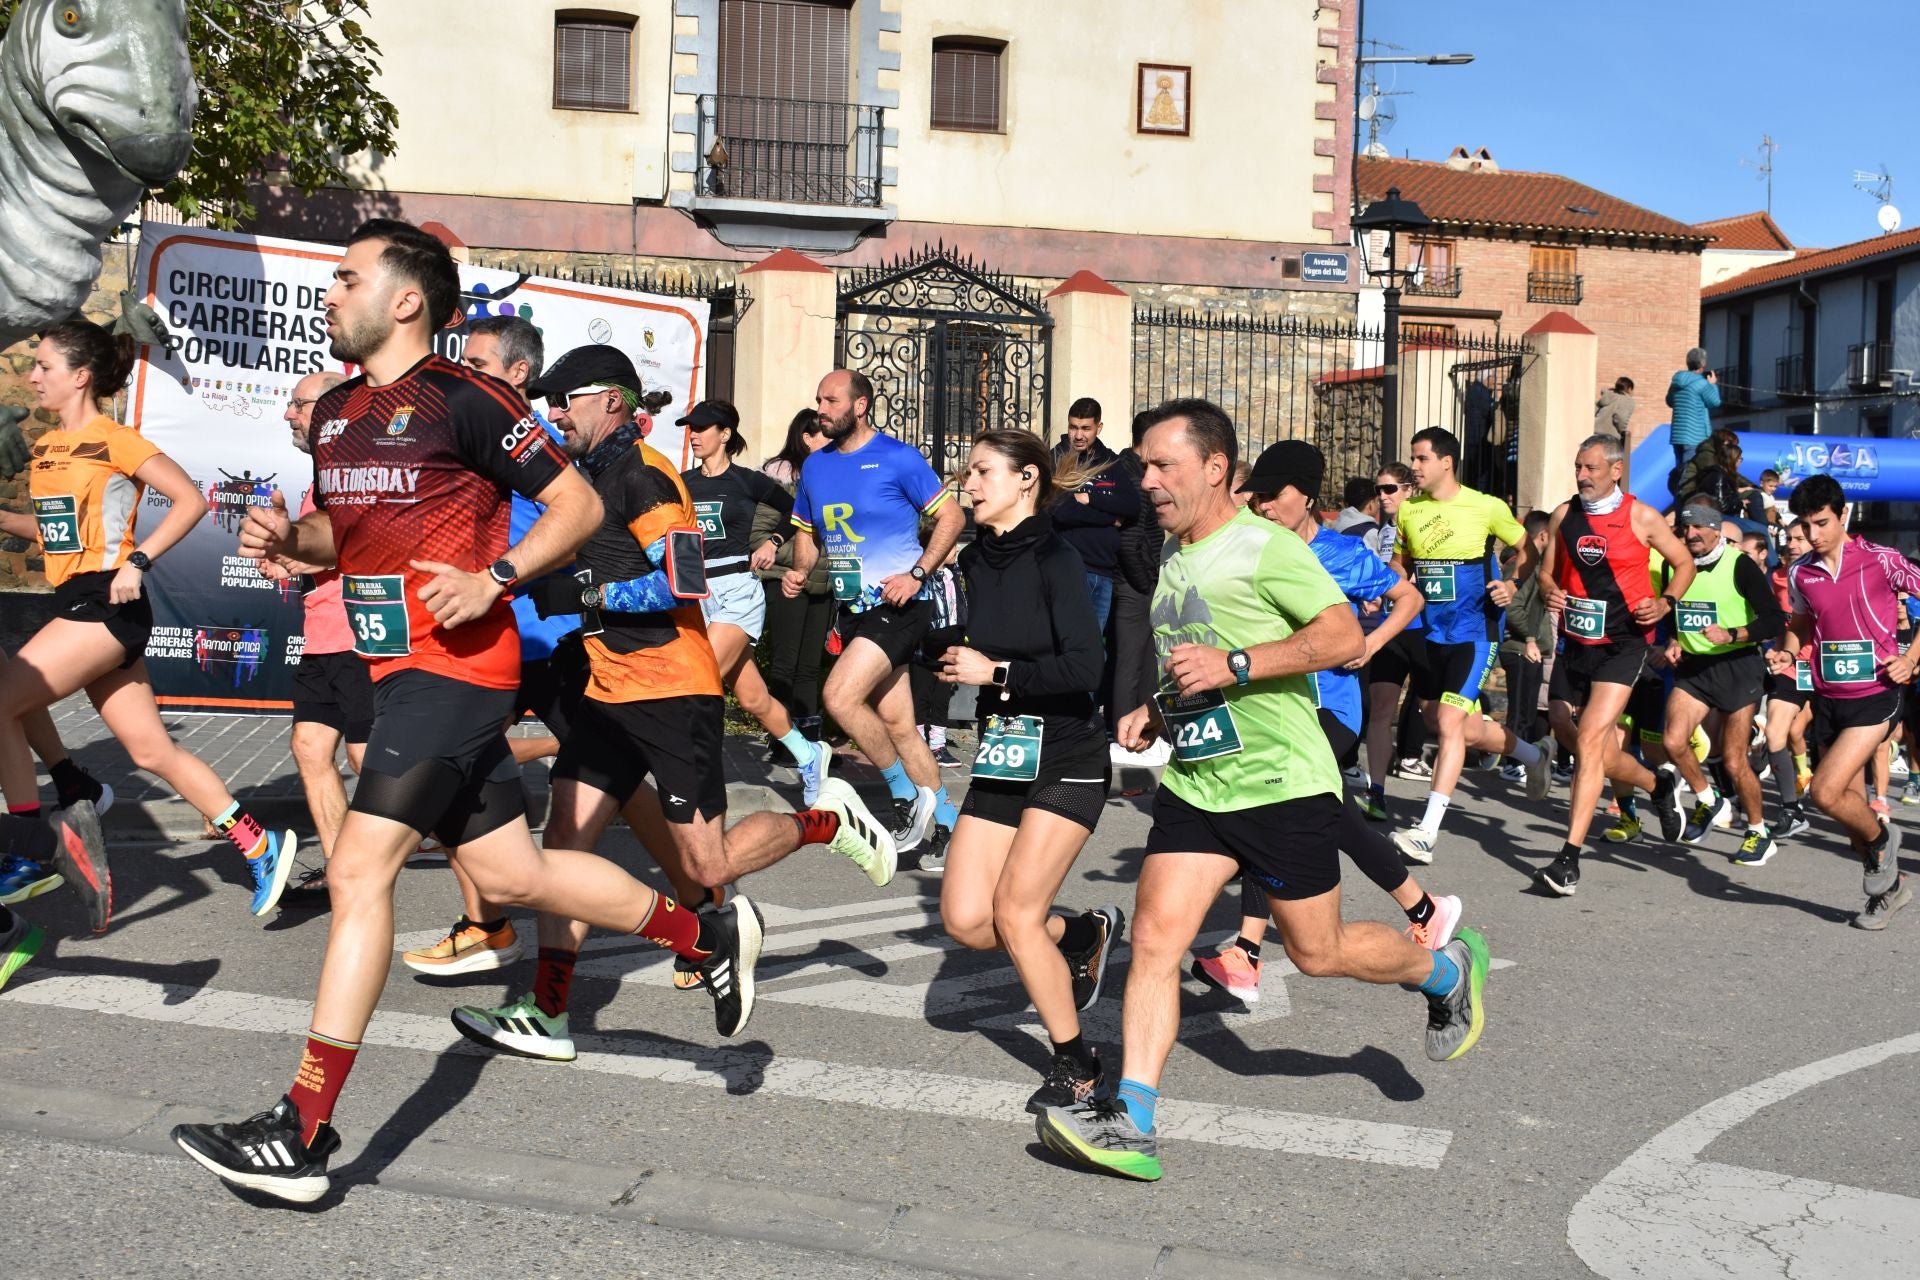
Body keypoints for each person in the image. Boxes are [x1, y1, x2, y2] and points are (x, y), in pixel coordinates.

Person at [172, 219, 761, 1202]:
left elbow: (572, 505)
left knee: (359, 868)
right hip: (391, 667)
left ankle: (304, 1132)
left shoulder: (468, 398)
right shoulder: (338, 416)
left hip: (457, 667)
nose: (329, 292)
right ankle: (705, 936)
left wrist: (496, 577)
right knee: (515, 871)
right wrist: (299, 541)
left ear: (405, 298)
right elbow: (349, 533)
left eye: (346, 277)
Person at [1034, 399, 1488, 1184]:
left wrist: (1238, 664)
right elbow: (1194, 667)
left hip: (1280, 785)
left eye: (1161, 465)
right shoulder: (1176, 558)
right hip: (1201, 785)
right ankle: (1132, 1117)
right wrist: (1156, 708)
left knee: (1319, 953)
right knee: (1155, 941)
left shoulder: (1265, 546)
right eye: (1142, 466)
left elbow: (1343, 637)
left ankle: (1443, 972)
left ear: (1214, 468)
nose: (1146, 481)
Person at [450, 344, 897, 1056]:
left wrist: (585, 594)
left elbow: (685, 583)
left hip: (669, 691)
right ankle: (549, 1013)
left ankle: (826, 819)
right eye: (549, 401)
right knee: (563, 851)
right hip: (605, 692)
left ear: (614, 403)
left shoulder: (645, 476)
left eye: (566, 399)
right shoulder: (584, 477)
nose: (553, 412)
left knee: (708, 868)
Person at [0, 319, 296, 932]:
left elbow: (191, 499)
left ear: (79, 376)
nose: (32, 376)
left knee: (3, 699)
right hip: (75, 599)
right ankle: (258, 843)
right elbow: (57, 535)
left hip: (107, 601)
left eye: (44, 366)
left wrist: (138, 561)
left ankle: (26, 848)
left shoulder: (117, 439)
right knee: (150, 749)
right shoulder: (47, 446)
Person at [1194, 441, 1461, 1007]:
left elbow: (1407, 597)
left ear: (1308, 497)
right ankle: (1423, 907)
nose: (1263, 506)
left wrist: (1372, 641)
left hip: (1330, 708)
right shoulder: (1250, 549)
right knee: (1320, 814)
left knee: (1272, 803)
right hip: (1271, 706)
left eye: (1274, 496)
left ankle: (1245, 952)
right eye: (1257, 496)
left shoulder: (1343, 554)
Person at [935, 429, 1124, 1113]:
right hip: (1007, 747)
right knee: (965, 920)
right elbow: (973, 640)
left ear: (1026, 481)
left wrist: (998, 672)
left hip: (1069, 755)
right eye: (967, 472)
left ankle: (1079, 1065)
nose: (969, 483)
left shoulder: (1058, 558)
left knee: (1015, 913)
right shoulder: (977, 560)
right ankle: (1082, 936)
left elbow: (1085, 668)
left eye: (983, 472)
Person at [395, 314, 587, 972]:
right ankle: (487, 925)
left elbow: (577, 523)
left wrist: (503, 575)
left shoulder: (530, 440)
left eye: (477, 365)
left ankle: (703, 904)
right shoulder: (470, 433)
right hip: (492, 645)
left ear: (518, 374)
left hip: (553, 646)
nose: (463, 376)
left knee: (620, 790)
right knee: (452, 775)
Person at [785, 369, 966, 856]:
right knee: (900, 726)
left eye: (831, 400)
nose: (821, 408)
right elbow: (806, 530)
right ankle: (949, 823)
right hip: (853, 612)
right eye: (818, 399)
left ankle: (904, 795)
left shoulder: (898, 458)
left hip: (899, 604)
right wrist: (799, 572)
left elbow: (952, 516)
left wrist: (919, 573)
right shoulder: (816, 467)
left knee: (840, 698)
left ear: (860, 405)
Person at [1534, 434, 1696, 895]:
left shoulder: (1641, 516)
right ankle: (1656, 784)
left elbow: (1684, 563)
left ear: (1616, 471)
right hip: (1575, 643)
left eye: (1590, 469)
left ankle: (1568, 858)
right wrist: (1549, 589)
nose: (1581, 476)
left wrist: (1666, 603)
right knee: (1572, 735)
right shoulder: (1567, 514)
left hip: (1622, 645)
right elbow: (1547, 570)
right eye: (1577, 467)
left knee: (1589, 740)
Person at [1389, 427, 1546, 863]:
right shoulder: (1409, 511)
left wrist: (1512, 584)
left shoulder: (1486, 507)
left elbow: (1526, 548)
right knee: (1463, 727)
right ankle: (1535, 755)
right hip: (1430, 632)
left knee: (1450, 722)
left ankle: (1426, 831)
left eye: (1421, 459)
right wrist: (1391, 582)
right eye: (1413, 459)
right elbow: (1401, 562)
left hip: (1475, 633)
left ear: (1446, 462)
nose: (1414, 467)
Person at [1771, 474, 1920, 929]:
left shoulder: (1881, 560)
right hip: (1829, 696)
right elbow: (1802, 619)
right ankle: (1888, 887)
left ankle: (1883, 841)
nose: (1812, 536)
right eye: (1805, 526)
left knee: (1824, 791)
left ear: (1843, 516)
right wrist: (1788, 649)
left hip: (1876, 693)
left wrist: (1911, 658)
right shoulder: (1802, 571)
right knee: (1849, 810)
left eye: (1820, 523)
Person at [679, 399, 825, 800]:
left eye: (702, 428)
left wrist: (775, 540)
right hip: (696, 595)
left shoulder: (747, 481)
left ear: (724, 435)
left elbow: (799, 509)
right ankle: (810, 755)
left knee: (697, 682)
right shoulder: (684, 482)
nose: (693, 435)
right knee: (753, 697)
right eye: (690, 428)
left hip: (737, 592)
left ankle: (689, 778)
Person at [1660, 503, 1784, 864]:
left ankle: (1759, 832)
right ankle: (1708, 800)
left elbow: (1775, 620)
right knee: (1673, 741)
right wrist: (1672, 640)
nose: (1691, 534)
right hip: (1695, 668)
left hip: (1738, 665)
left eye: (1699, 527)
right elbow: (1674, 609)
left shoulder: (1739, 564)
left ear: (1717, 531)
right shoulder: (1677, 564)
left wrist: (1733, 633)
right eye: (1687, 528)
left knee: (1732, 760)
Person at [276, 370, 357, 910]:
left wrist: (290, 543)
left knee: (377, 768)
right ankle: (341, 872)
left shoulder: (350, 470)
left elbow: (340, 546)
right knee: (309, 747)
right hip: (320, 636)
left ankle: (479, 857)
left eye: (299, 404)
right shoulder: (315, 477)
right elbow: (310, 557)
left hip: (358, 635)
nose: (289, 413)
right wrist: (280, 555)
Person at [758, 408, 834, 752]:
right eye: (824, 436)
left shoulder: (834, 477)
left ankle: (810, 743)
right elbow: (760, 536)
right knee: (785, 663)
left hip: (825, 583)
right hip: (787, 581)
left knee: (809, 666)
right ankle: (781, 740)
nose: (832, 443)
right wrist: (796, 566)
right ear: (807, 437)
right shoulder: (779, 478)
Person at [1360, 460, 1427, 821]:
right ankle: (1377, 793)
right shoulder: (1384, 530)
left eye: (1390, 489)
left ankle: (1526, 753)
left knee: (1437, 716)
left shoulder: (1423, 518)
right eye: (1379, 490)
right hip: (1392, 628)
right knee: (1381, 707)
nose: (1382, 496)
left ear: (1408, 490)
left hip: (1427, 629)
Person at [1109, 410, 1169, 768]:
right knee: (1131, 662)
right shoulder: (1131, 474)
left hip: (1142, 578)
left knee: (1147, 660)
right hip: (1135, 582)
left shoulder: (1134, 470)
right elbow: (1131, 539)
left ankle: (1145, 737)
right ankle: (1126, 738)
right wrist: (1146, 580)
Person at [1049, 396, 1137, 634]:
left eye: (1085, 428)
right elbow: (1061, 511)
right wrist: (1110, 517)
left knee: (1095, 648)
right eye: (1073, 427)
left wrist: (1091, 498)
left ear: (1098, 428)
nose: (1078, 435)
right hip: (1069, 569)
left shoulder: (1110, 462)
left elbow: (1132, 505)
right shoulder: (1056, 459)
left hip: (1105, 572)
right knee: (1069, 642)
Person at [1496, 511, 1554, 783]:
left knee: (1529, 711)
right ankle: (1511, 763)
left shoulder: (1540, 565)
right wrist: (1530, 638)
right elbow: (1512, 606)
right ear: (1543, 535)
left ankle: (1524, 760)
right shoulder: (1525, 565)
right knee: (1519, 711)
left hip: (1529, 648)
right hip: (1519, 649)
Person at [1665, 348, 1720, 486]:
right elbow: (1715, 402)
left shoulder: (1677, 381)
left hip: (1678, 435)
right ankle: (1684, 503)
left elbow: (1670, 401)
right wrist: (1712, 385)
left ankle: (1678, 502)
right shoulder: (1701, 383)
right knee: (1689, 475)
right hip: (1695, 435)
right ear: (1703, 365)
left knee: (1680, 471)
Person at [1331, 475, 1384, 557]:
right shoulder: (1371, 532)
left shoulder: (1336, 526)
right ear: (1370, 504)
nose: (1378, 505)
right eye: (1377, 501)